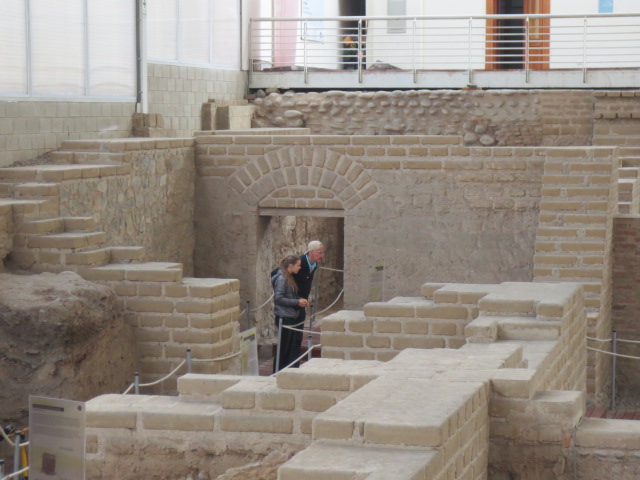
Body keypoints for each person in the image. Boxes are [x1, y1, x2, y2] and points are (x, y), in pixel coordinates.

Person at [272, 255, 308, 372]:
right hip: (284, 316)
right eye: (298, 266)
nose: (299, 268)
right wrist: (296, 302)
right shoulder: (282, 279)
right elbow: (278, 298)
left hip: (290, 315)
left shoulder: (288, 278)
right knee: (284, 349)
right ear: (291, 266)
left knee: (290, 348)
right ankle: (278, 371)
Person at [292, 240, 325, 329]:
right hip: (292, 302)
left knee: (299, 331)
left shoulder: (314, 264)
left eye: (322, 253)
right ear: (311, 252)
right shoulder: (299, 262)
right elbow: (280, 273)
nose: (322, 256)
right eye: (319, 253)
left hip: (302, 302)